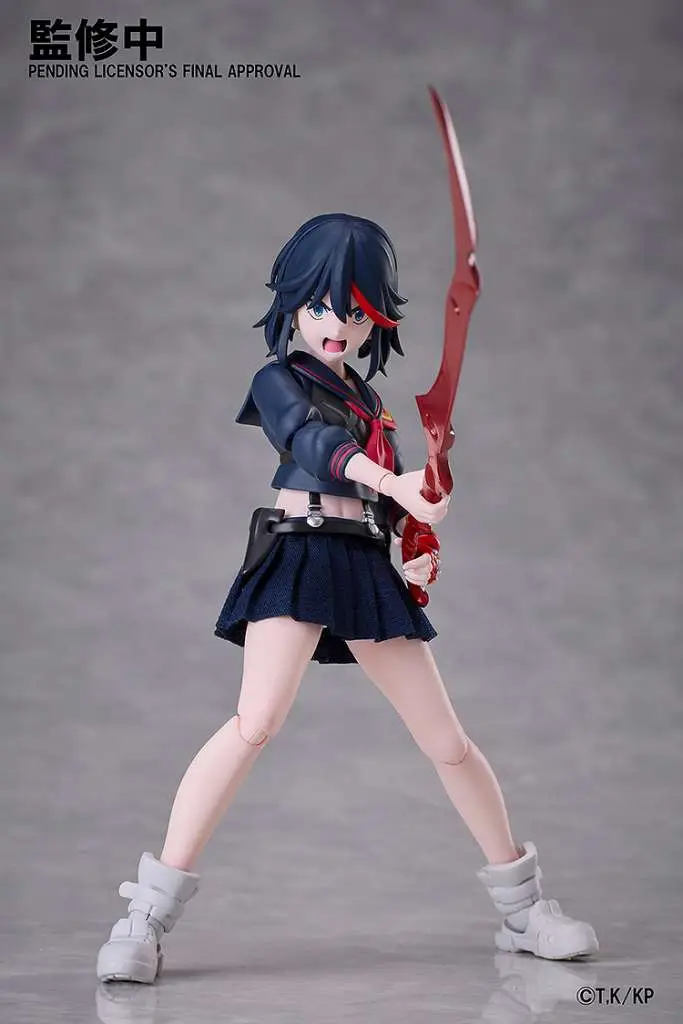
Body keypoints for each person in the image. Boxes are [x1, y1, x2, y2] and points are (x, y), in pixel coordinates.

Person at [97, 214, 598, 983]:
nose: (339, 325)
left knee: (446, 741)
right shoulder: (277, 381)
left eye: (357, 312)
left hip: (362, 562)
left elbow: (389, 507)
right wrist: (392, 479)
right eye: (322, 307)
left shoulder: (374, 407)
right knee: (254, 722)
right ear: (294, 304)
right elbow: (311, 444)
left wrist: (418, 523)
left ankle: (523, 910)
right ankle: (146, 915)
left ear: (377, 319)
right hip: (297, 552)